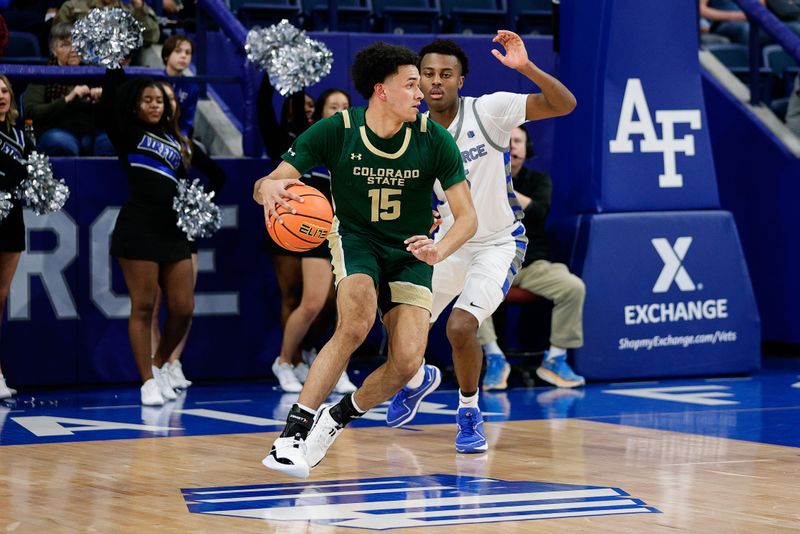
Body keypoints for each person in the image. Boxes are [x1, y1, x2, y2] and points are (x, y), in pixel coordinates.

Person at [253, 41, 477, 478]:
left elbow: (467, 218)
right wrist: (267, 190)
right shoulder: (337, 130)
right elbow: (268, 183)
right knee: (355, 322)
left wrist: (439, 249)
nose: (421, 93)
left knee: (409, 360)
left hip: (411, 251)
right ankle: (292, 435)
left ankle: (334, 420)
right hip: (356, 239)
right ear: (382, 90)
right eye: (412, 84)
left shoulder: (434, 140)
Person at [384, 33, 576, 453]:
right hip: (449, 243)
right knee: (400, 322)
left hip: (498, 243)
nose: (436, 82)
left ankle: (469, 411)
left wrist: (526, 68)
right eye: (427, 75)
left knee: (460, 326)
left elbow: (565, 104)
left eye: (445, 75)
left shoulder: (489, 110)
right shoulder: (407, 131)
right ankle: (417, 381)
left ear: (461, 80)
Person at [99, 66, 195, 406]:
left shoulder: (175, 139)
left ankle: (159, 366)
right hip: (138, 227)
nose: (154, 106)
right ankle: (146, 382)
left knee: (183, 308)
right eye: (147, 100)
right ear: (136, 106)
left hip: (172, 230)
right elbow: (109, 106)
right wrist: (114, 67)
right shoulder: (127, 133)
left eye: (159, 101)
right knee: (143, 305)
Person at [257, 79, 356, 394]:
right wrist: (291, 76)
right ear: (318, 113)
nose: (339, 112)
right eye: (333, 107)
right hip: (310, 227)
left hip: (344, 231)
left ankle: (324, 360)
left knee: (339, 304)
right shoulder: (311, 141)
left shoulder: (355, 143)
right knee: (310, 301)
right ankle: (286, 361)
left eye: (344, 107)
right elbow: (264, 184)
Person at [477, 126, 586, 390]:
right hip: (492, 264)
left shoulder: (539, 181)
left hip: (532, 264)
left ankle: (555, 360)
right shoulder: (479, 180)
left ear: (527, 149)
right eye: (506, 141)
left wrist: (502, 186)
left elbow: (538, 212)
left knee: (573, 287)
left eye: (518, 141)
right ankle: (494, 358)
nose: (512, 146)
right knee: (470, 293)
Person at [148, 80, 227, 391]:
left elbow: (219, 176)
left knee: (183, 304)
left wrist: (197, 202)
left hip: (181, 230)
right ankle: (156, 363)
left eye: (170, 100)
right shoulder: (146, 138)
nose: (166, 105)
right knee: (152, 305)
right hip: (151, 227)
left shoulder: (185, 142)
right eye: (159, 99)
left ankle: (172, 362)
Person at [23, 23, 114, 157]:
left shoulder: (96, 72)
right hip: (57, 130)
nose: (73, 49)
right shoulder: (42, 74)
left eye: (78, 43)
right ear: (54, 50)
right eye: (65, 45)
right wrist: (67, 99)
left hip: (93, 131)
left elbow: (117, 109)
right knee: (61, 144)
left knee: (112, 141)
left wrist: (104, 97)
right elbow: (31, 112)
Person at [0, 75, 32, 400]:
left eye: (5, 91)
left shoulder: (21, 135)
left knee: (0, 297)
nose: (1, 96)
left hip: (11, 220)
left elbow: (31, 174)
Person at [54, 0, 159, 48]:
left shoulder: (131, 11)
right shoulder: (72, 7)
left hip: (119, 63)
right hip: (81, 60)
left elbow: (151, 38)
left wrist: (140, 9)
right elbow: (57, 39)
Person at [161, 35, 199, 138]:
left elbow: (187, 122)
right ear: (166, 55)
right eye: (178, 51)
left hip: (177, 136)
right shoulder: (154, 80)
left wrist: (181, 140)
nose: (183, 56)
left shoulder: (192, 87)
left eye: (188, 53)